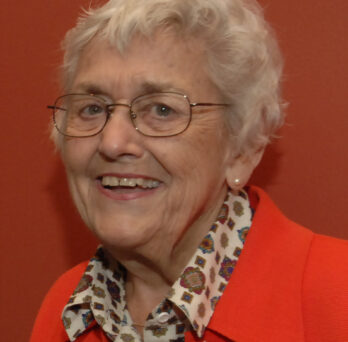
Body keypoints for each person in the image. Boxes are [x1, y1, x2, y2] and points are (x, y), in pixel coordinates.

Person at [30, 0, 348, 341]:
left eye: (162, 109)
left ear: (242, 149)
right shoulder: (66, 308)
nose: (112, 142)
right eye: (92, 108)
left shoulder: (336, 296)